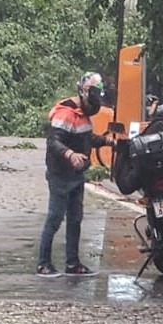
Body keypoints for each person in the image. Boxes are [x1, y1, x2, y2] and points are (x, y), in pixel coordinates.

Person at [37, 71, 110, 276]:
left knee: (75, 219)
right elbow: (53, 141)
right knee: (55, 218)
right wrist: (70, 154)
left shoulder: (83, 115)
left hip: (77, 175)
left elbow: (86, 138)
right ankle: (43, 263)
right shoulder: (65, 113)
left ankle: (73, 263)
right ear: (83, 94)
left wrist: (107, 141)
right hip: (60, 174)